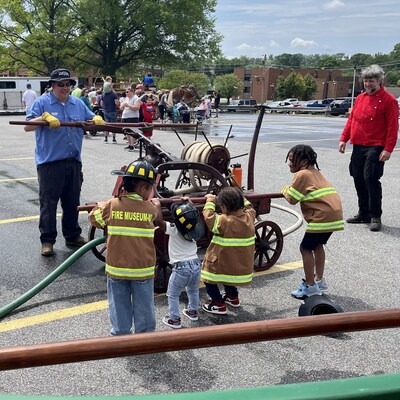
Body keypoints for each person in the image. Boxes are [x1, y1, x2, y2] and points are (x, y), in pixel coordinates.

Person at [24, 68, 105, 257]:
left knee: (71, 202)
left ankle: (72, 235)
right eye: (60, 84)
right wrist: (43, 117)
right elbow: (27, 125)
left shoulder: (77, 103)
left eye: (68, 84)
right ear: (52, 86)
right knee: (48, 204)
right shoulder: (42, 102)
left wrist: (96, 118)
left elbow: (90, 117)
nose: (65, 88)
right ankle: (47, 241)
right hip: (50, 163)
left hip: (73, 161)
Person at [88, 160, 159, 335]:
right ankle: (145, 335)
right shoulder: (151, 209)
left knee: (118, 304)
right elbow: (156, 214)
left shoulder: (112, 206)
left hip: (117, 269)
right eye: (150, 188)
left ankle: (120, 335)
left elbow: (93, 219)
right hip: (142, 269)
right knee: (144, 305)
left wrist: (103, 204)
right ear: (143, 188)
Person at [339, 64, 399, 232]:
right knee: (357, 178)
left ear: (380, 81)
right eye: (365, 81)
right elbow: (352, 121)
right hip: (358, 145)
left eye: (371, 81)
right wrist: (344, 139)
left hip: (376, 146)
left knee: (370, 179)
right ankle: (363, 213)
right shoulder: (360, 99)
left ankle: (375, 216)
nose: (368, 84)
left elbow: (393, 127)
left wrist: (388, 149)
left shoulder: (389, 101)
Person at [281, 144, 344, 299]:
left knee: (305, 248)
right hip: (334, 214)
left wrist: (284, 189)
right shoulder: (315, 172)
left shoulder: (302, 174)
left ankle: (310, 286)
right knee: (317, 245)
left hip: (322, 216)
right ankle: (319, 281)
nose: (289, 163)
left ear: (302, 162)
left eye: (291, 160)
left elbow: (292, 199)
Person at [201, 187, 256, 315]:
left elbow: (208, 216)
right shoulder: (250, 218)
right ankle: (233, 297)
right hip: (239, 267)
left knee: (207, 277)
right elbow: (250, 207)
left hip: (222, 264)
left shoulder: (223, 221)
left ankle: (218, 303)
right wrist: (241, 198)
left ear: (225, 207)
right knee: (228, 278)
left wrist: (210, 200)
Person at [151, 198, 203, 329]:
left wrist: (157, 204)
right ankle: (193, 311)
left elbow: (158, 222)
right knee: (193, 290)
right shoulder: (195, 230)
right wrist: (189, 203)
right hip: (196, 264)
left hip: (181, 268)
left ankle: (174, 319)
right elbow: (193, 216)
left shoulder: (174, 229)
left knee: (173, 294)